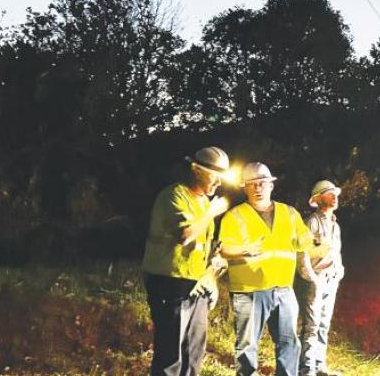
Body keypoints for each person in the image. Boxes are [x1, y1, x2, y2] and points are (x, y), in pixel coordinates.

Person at [141, 146, 231, 376]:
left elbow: (203, 248)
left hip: (197, 285)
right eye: (215, 176)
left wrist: (212, 275)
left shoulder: (203, 202)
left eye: (222, 178)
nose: (219, 183)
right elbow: (186, 235)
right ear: (196, 170)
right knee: (171, 354)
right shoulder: (174, 195)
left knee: (194, 352)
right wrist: (212, 212)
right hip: (170, 284)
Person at [219, 162, 312, 376]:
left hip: (283, 289)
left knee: (289, 343)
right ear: (245, 188)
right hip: (249, 291)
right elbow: (223, 248)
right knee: (247, 346)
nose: (258, 188)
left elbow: (305, 242)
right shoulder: (234, 216)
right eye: (252, 184)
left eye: (262, 183)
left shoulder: (289, 213)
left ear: (271, 185)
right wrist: (244, 250)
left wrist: (321, 246)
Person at [295, 180, 345, 376]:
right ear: (317, 199)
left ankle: (319, 364)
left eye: (335, 193)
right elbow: (303, 254)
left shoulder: (335, 225)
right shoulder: (312, 222)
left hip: (330, 279)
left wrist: (339, 271)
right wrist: (311, 279)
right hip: (314, 280)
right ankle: (306, 368)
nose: (334, 196)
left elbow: (336, 252)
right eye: (328, 193)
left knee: (324, 323)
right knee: (311, 325)